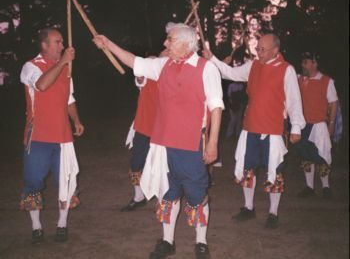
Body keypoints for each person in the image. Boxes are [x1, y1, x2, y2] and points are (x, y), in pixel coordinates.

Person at [94, 22, 224, 259]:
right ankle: (167, 241)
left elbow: (216, 107)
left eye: (170, 40)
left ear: (186, 44)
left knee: (196, 193)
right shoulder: (163, 65)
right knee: (167, 193)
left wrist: (213, 143)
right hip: (162, 145)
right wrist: (108, 44)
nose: (165, 43)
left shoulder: (207, 69)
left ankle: (201, 242)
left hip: (191, 144)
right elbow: (134, 61)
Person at [204, 34, 305, 229]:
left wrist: (296, 127)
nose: (258, 52)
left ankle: (273, 213)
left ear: (276, 50)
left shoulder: (287, 70)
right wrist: (212, 59)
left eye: (262, 49)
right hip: (250, 127)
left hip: (273, 131)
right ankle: (248, 208)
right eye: (257, 48)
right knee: (247, 169)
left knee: (274, 171)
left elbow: (294, 100)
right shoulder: (253, 66)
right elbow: (230, 73)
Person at [20, 28, 84, 244]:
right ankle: (37, 226)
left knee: (65, 183)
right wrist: (63, 62)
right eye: (57, 42)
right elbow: (42, 85)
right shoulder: (30, 67)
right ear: (44, 45)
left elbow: (69, 99)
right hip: (38, 135)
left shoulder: (66, 68)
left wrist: (76, 121)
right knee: (33, 181)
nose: (62, 46)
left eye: (62, 42)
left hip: (63, 136)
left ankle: (62, 224)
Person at [122, 52, 165, 212]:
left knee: (161, 166)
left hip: (163, 129)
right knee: (136, 164)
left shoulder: (171, 73)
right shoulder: (148, 73)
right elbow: (140, 78)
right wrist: (142, 71)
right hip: (144, 127)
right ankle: (138, 196)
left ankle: (162, 201)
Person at [296, 52, 338, 199]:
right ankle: (309, 187)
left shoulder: (327, 81)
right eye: (303, 62)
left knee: (323, 156)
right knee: (306, 156)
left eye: (306, 62)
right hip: (302, 125)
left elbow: (333, 103)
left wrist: (331, 124)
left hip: (319, 125)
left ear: (315, 63)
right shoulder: (298, 79)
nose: (303, 65)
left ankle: (326, 187)